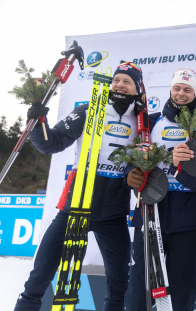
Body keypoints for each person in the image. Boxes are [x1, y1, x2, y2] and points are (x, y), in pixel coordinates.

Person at [14, 62, 144, 311]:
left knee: (119, 285)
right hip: (75, 207)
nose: (119, 85)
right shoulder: (90, 110)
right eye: (116, 80)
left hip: (113, 215)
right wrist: (38, 117)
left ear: (137, 89)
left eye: (127, 82)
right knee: (39, 276)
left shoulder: (142, 122)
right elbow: (50, 144)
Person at [125, 68, 196, 311]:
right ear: (170, 90)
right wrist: (129, 175)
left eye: (187, 89)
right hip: (150, 211)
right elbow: (130, 160)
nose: (181, 93)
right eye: (177, 88)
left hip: (187, 219)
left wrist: (177, 167)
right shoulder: (151, 121)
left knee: (182, 291)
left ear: (195, 93)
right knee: (140, 289)